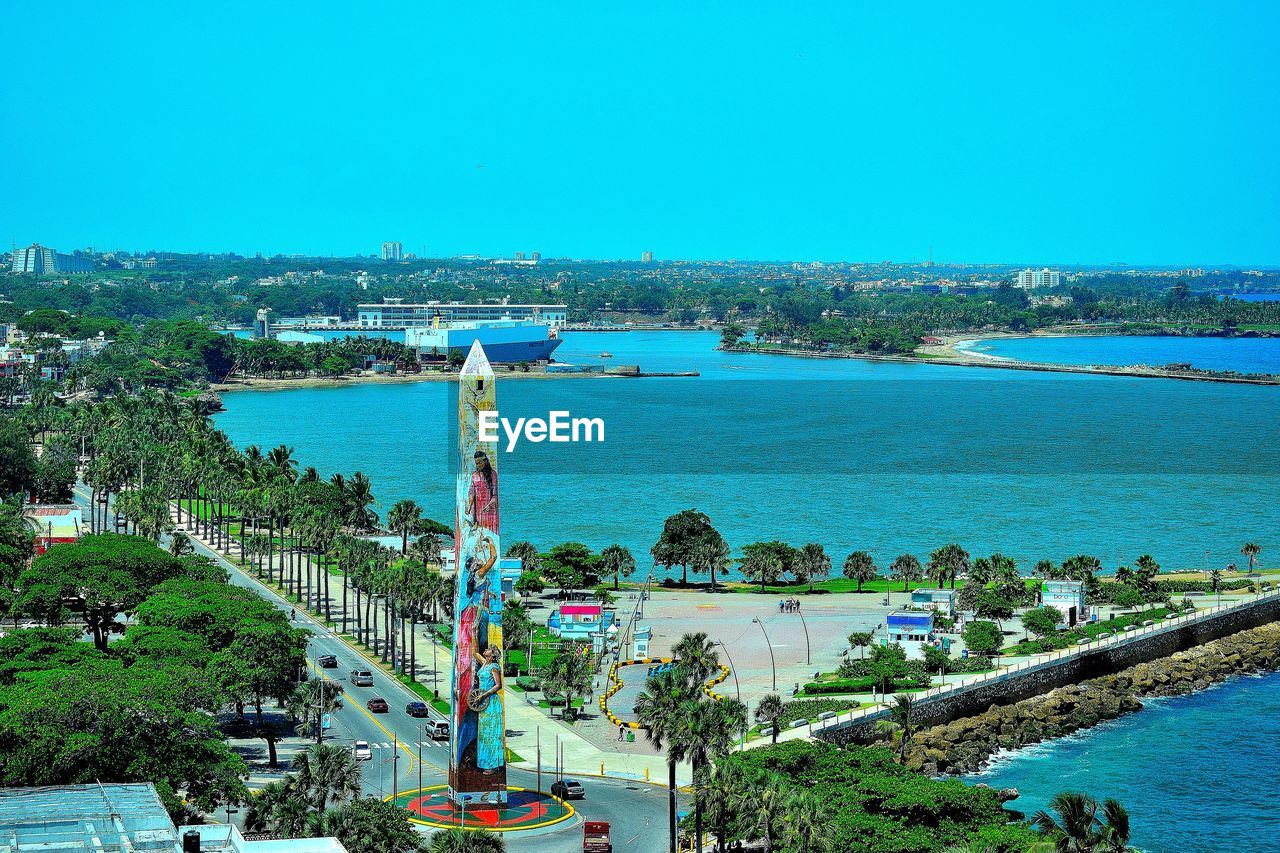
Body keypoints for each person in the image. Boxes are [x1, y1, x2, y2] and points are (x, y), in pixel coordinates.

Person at [474, 646, 504, 774]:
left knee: (491, 733)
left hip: (491, 702)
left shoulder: (494, 667)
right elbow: (475, 652)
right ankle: (484, 762)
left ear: (491, 656)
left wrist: (484, 695)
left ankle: (492, 764)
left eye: (488, 650)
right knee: (483, 733)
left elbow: (498, 685)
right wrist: (475, 630)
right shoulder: (485, 663)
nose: (485, 650)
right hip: (482, 702)